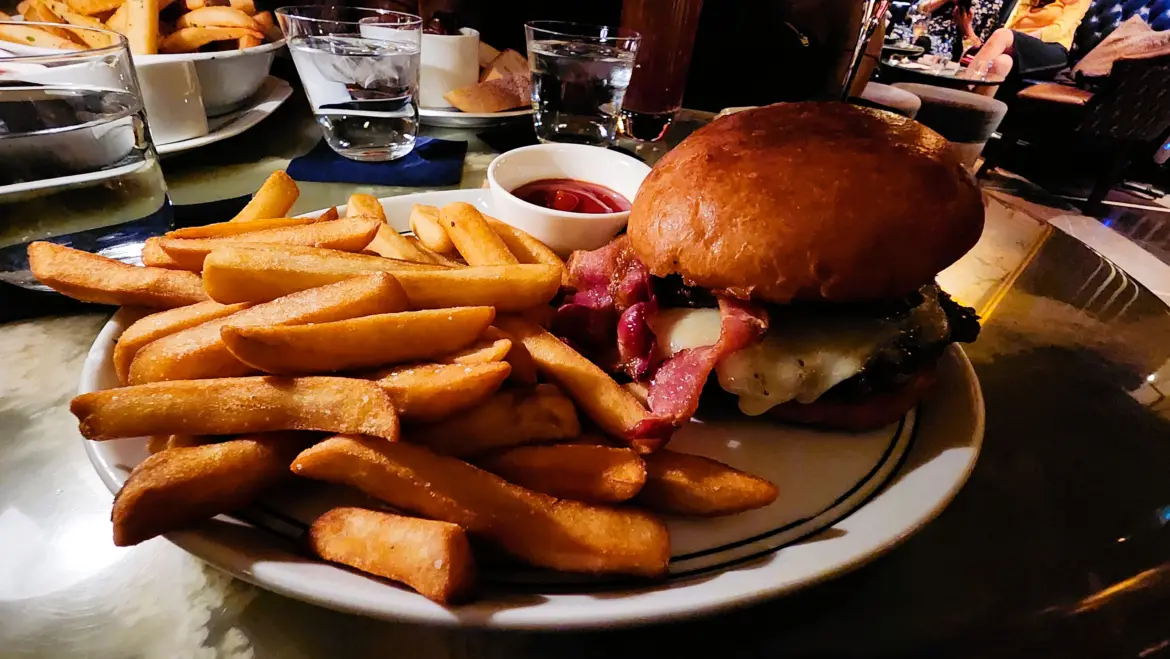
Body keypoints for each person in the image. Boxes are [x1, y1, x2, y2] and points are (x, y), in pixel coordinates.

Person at [968, 0, 1092, 79]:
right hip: (1017, 45)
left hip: (1053, 50)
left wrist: (1014, 40)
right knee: (1002, 63)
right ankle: (978, 116)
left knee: (1002, 35)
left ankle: (965, 85)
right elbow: (1012, 22)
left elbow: (1058, 30)